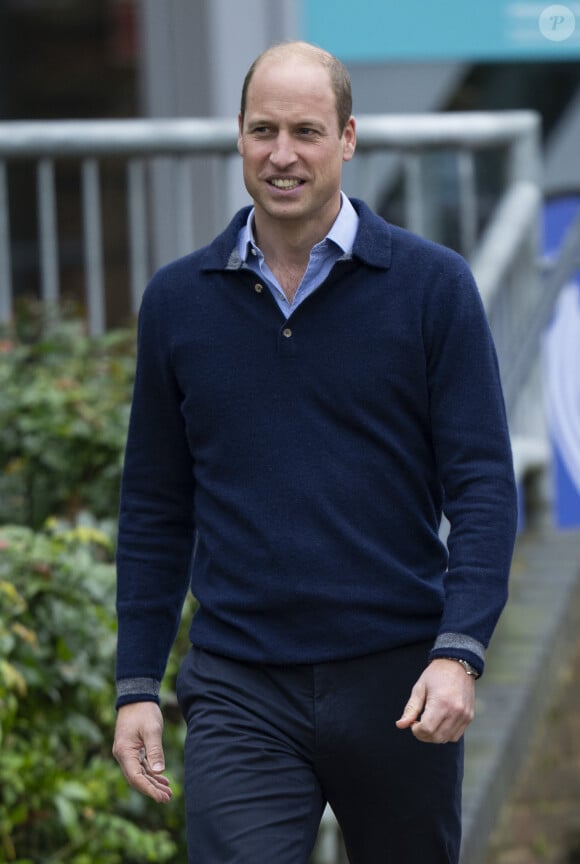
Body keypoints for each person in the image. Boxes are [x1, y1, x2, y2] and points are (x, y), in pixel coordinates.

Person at [113, 40, 518, 863]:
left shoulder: (432, 289)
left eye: (306, 130)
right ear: (238, 137)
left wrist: (460, 652)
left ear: (349, 138)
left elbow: (481, 485)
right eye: (263, 130)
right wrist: (136, 687)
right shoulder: (178, 303)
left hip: (399, 678)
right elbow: (155, 505)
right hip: (240, 682)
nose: (283, 154)